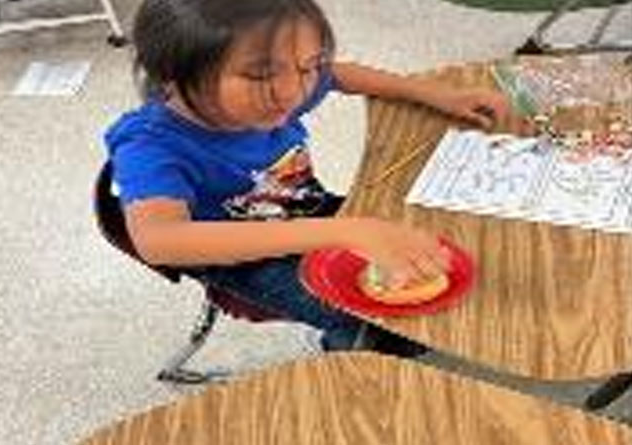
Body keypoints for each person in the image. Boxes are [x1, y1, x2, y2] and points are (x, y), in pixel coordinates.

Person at [104, 0, 513, 352]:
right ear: (174, 72)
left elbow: (339, 74)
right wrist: (344, 232)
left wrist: (437, 94)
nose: (294, 93)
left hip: (307, 213)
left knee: (426, 240)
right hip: (240, 260)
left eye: (307, 67)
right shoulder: (150, 145)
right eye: (261, 75)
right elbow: (160, 241)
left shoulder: (280, 88)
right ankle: (347, 363)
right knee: (374, 326)